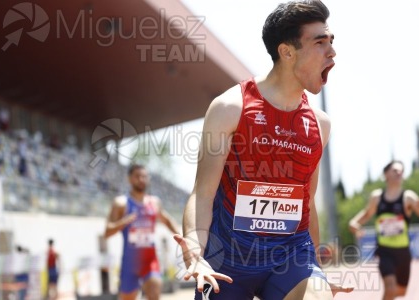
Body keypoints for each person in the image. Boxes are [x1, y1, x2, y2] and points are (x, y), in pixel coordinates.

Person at [173, 1, 353, 299]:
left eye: (331, 41)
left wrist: (317, 270)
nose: (331, 51)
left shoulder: (320, 125)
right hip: (227, 260)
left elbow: (306, 203)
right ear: (286, 51)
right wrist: (195, 247)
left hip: (290, 257)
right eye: (320, 42)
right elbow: (202, 194)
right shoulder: (229, 108)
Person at [104, 164, 179, 300]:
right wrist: (123, 222)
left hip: (150, 260)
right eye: (137, 176)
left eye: (144, 176)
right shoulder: (121, 203)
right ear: (129, 179)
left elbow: (167, 220)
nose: (141, 179)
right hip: (130, 262)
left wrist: (181, 236)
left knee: (154, 292)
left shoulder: (154, 202)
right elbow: (107, 231)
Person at [349, 160, 419, 300]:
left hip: (403, 253)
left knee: (400, 292)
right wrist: (354, 223)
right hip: (385, 251)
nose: (399, 173)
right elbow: (366, 214)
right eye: (395, 170)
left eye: (401, 171)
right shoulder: (377, 197)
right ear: (386, 174)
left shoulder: (409, 198)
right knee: (390, 288)